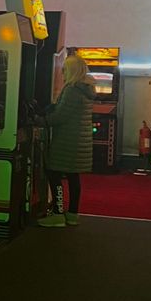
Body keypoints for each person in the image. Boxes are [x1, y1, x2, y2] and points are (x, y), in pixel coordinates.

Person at [37, 53, 96, 227]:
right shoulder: (86, 89)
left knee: (53, 173)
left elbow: (60, 117)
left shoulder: (72, 89)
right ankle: (72, 214)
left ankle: (58, 215)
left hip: (67, 141)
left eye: (64, 70)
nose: (62, 73)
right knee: (72, 176)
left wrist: (40, 120)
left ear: (71, 71)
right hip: (79, 140)